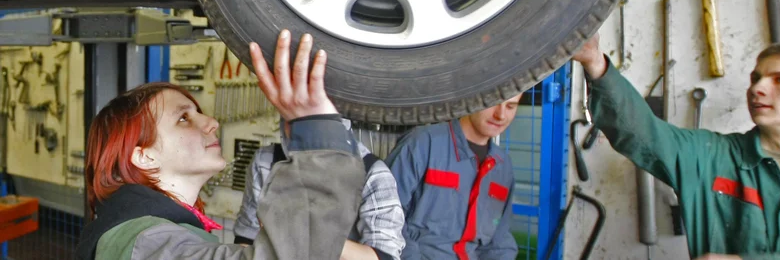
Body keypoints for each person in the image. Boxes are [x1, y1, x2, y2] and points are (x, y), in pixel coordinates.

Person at [76, 31, 365, 260]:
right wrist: (316, 132)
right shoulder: (144, 242)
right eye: (184, 119)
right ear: (144, 157)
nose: (211, 121)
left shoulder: (150, 234)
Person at [573, 33, 780, 260]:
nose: (757, 88)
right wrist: (595, 61)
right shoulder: (711, 155)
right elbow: (641, 133)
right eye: (755, 78)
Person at [234, 117, 405, 260]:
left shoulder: (372, 173)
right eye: (291, 116)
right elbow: (246, 239)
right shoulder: (266, 162)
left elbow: (383, 255)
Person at [385, 95, 522, 259]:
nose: (500, 115)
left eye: (510, 107)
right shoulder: (423, 143)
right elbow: (384, 215)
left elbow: (500, 241)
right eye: (493, 103)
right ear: (473, 95)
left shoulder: (502, 166)